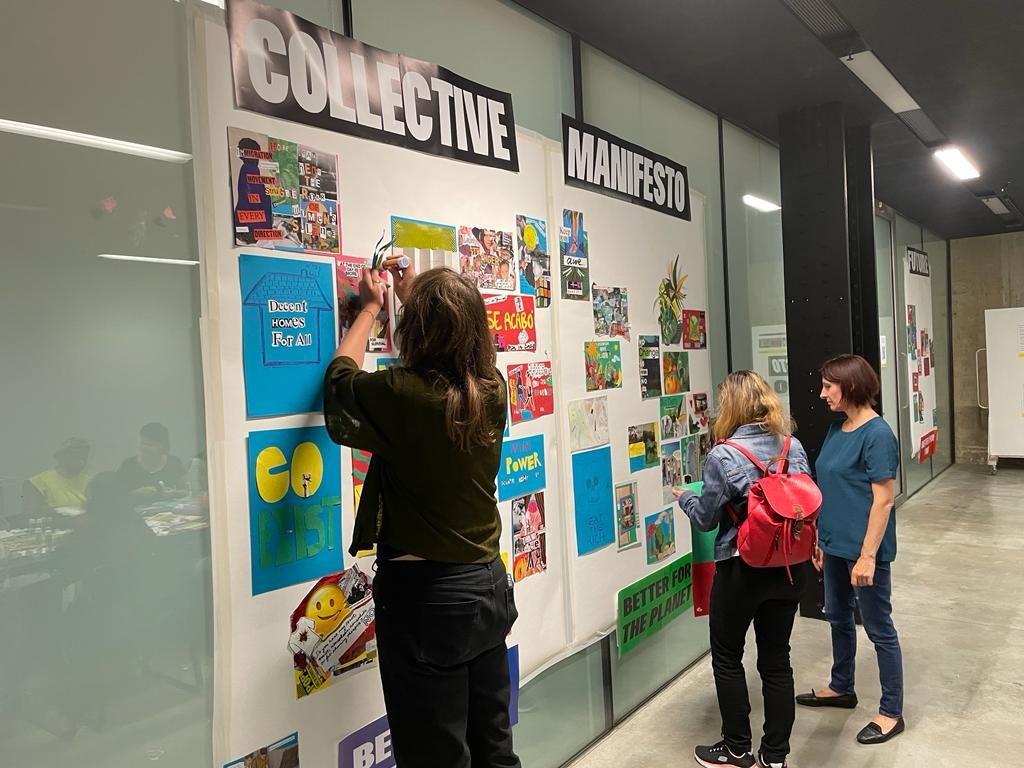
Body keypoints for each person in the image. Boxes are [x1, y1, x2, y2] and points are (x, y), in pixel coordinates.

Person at [323, 262, 520, 768]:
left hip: (427, 601)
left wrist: (369, 307)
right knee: (493, 749)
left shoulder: (401, 395)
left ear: (417, 331)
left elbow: (341, 382)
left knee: (434, 758)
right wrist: (416, 297)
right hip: (487, 587)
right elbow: (447, 354)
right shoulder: (491, 389)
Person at [672, 370, 810, 768]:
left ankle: (735, 748)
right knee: (776, 659)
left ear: (730, 406)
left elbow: (706, 520)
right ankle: (775, 756)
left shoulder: (723, 454)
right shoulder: (792, 445)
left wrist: (685, 499)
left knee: (728, 656)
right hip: (788, 566)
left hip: (740, 568)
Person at [796, 354, 904, 745]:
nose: (822, 393)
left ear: (852, 385)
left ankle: (891, 711)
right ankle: (841, 686)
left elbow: (884, 502)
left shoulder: (877, 435)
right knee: (838, 616)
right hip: (834, 545)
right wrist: (821, 539)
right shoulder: (837, 429)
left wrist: (868, 556)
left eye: (829, 386)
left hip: (864, 551)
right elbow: (827, 488)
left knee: (879, 628)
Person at [22, 437, 93, 518]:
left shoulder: (90, 482)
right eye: (76, 457)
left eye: (84, 458)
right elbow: (30, 515)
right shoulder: (38, 483)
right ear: (62, 457)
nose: (81, 463)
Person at [116, 422, 186, 501]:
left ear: (162, 446)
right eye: (142, 443)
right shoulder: (129, 466)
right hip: (135, 512)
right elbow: (117, 496)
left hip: (169, 512)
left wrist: (173, 493)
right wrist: (137, 493)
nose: (143, 448)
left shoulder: (174, 463)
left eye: (150, 445)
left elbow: (186, 492)